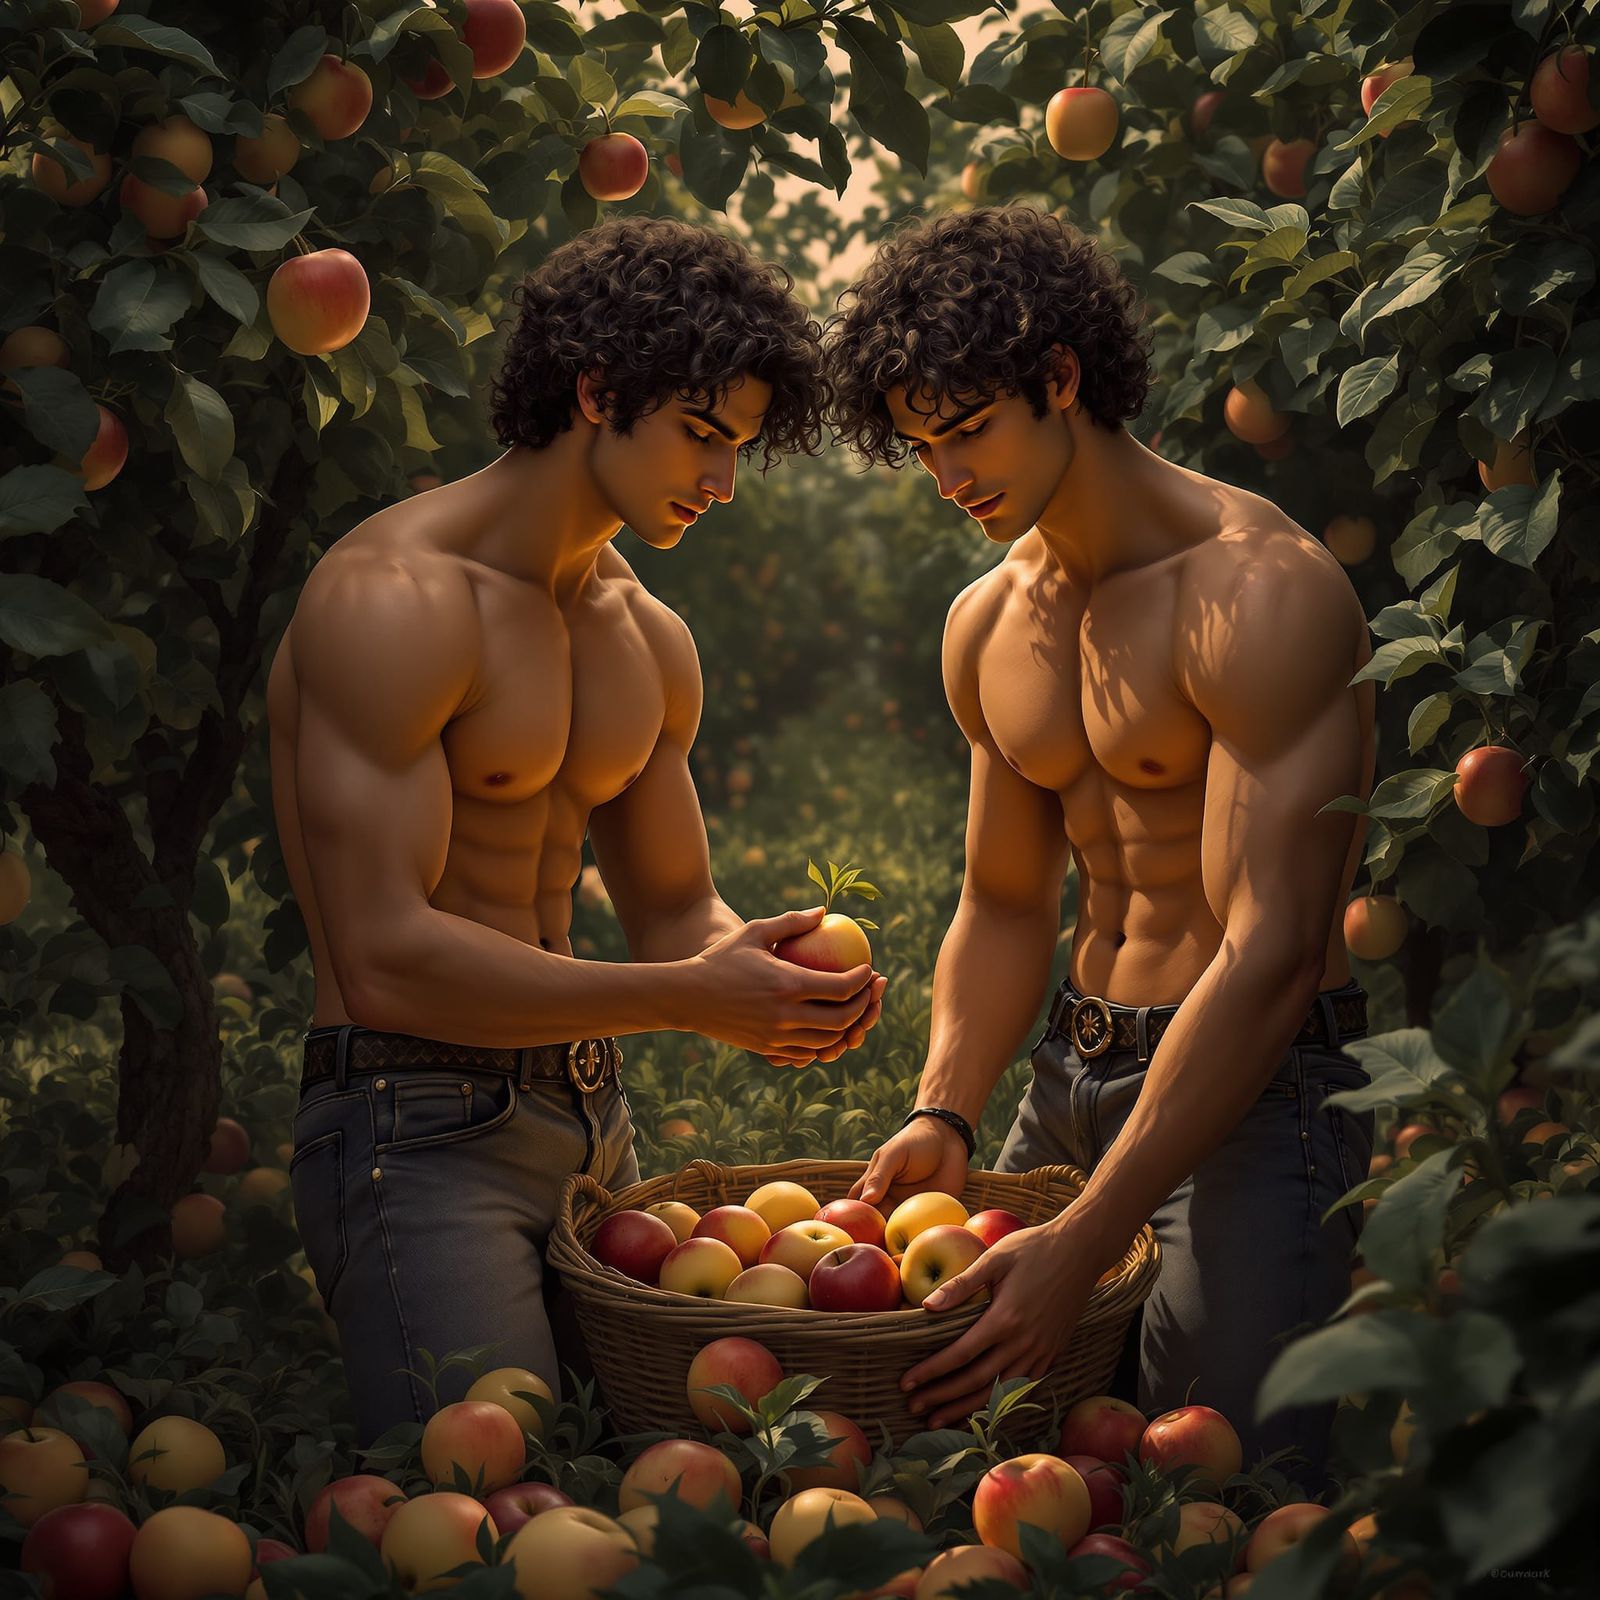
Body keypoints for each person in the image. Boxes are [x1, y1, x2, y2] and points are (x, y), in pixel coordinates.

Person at [266, 215, 886, 1447]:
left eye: (738, 447)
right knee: (485, 1507)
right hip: (413, 1120)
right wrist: (687, 996)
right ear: (596, 392)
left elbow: (675, 908)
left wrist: (762, 972)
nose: (720, 482)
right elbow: (384, 959)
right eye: (700, 434)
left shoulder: (642, 634)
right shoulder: (396, 598)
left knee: (652, 1485)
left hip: (596, 1125)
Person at [824, 205, 1376, 1494]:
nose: (948, 474)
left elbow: (1273, 951)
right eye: (922, 445)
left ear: (1062, 376)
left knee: (1218, 1504)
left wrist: (1084, 1236)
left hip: (1251, 1090)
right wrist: (945, 1104)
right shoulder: (987, 621)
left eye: (969, 429)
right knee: (985, 1482)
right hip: (1065, 1078)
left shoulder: (1258, 592)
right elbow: (1003, 900)